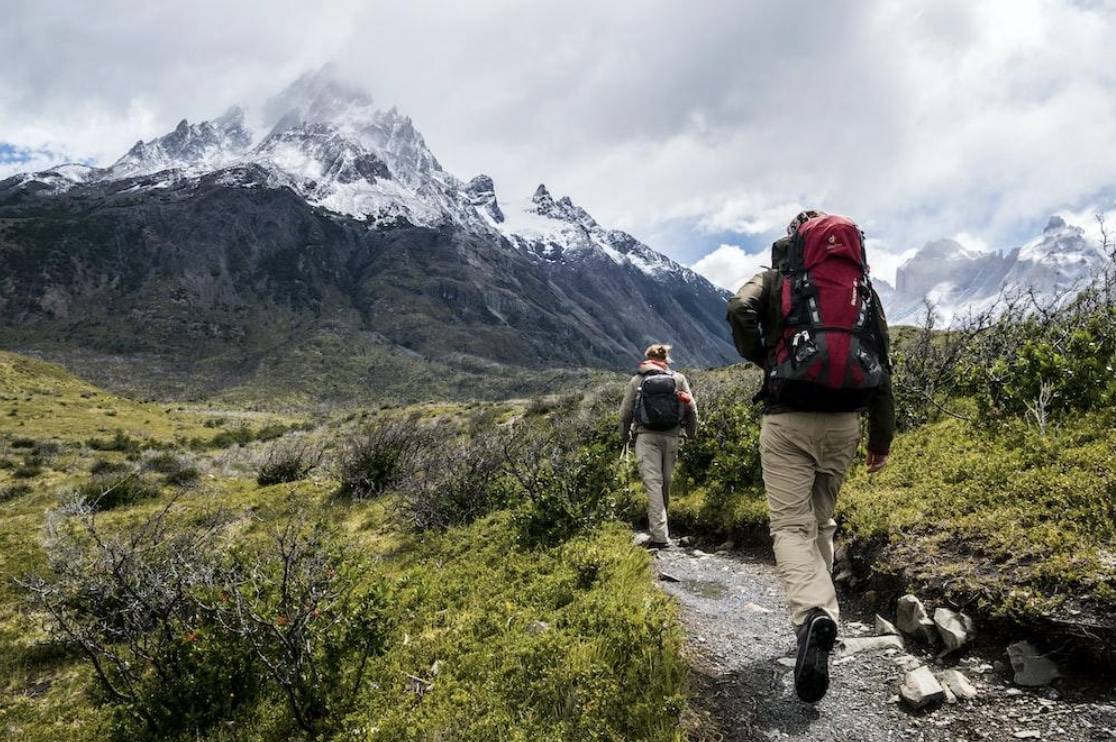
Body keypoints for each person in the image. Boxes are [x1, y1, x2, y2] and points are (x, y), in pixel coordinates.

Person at [726, 210, 895, 704]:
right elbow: (883, 364)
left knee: (790, 527)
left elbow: (739, 309)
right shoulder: (861, 290)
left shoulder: (778, 279)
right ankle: (820, 618)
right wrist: (880, 440)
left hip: (788, 418)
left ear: (795, 242)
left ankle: (813, 616)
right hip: (845, 423)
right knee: (821, 523)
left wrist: (764, 356)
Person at [618, 344, 699, 548]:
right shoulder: (678, 378)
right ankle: (662, 529)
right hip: (672, 437)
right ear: (666, 359)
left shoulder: (637, 380)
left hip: (645, 437)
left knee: (653, 483)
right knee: (666, 482)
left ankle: (660, 536)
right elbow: (691, 407)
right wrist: (691, 434)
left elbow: (625, 413)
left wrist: (625, 436)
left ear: (647, 358)